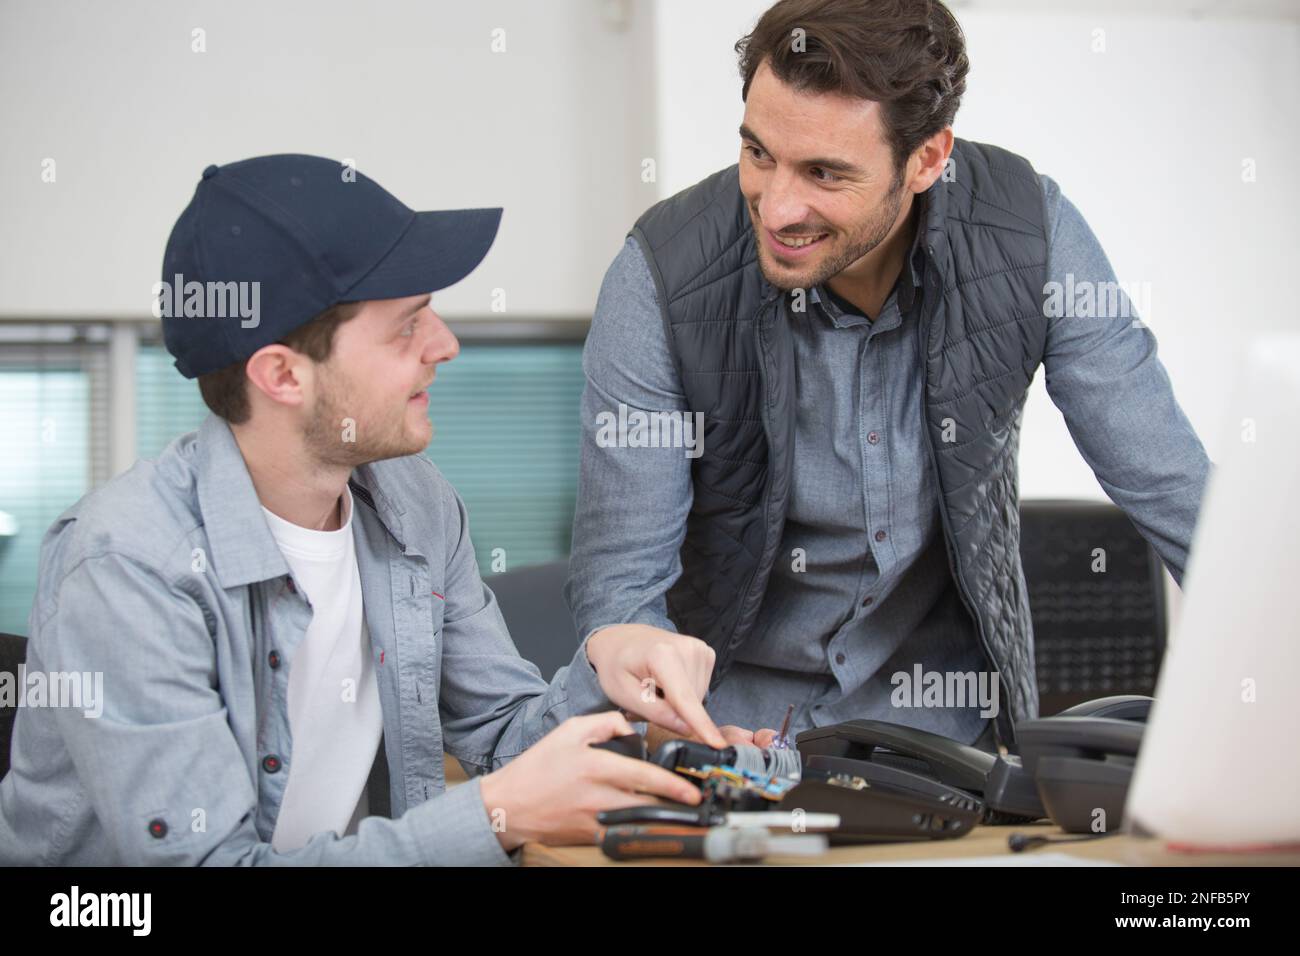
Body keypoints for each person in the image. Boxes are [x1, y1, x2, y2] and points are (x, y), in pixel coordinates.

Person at [0, 153, 731, 866]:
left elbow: (507, 737)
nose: (444, 345)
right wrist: (492, 816)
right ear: (282, 374)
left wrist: (610, 667)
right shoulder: (128, 566)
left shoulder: (412, 499)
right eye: (407, 325)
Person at [565, 0, 1211, 753]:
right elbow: (621, 589)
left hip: (952, 749)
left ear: (929, 160)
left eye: (825, 173)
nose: (776, 207)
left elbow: (1177, 491)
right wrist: (672, 728)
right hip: (725, 744)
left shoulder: (1029, 236)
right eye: (759, 153)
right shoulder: (661, 276)